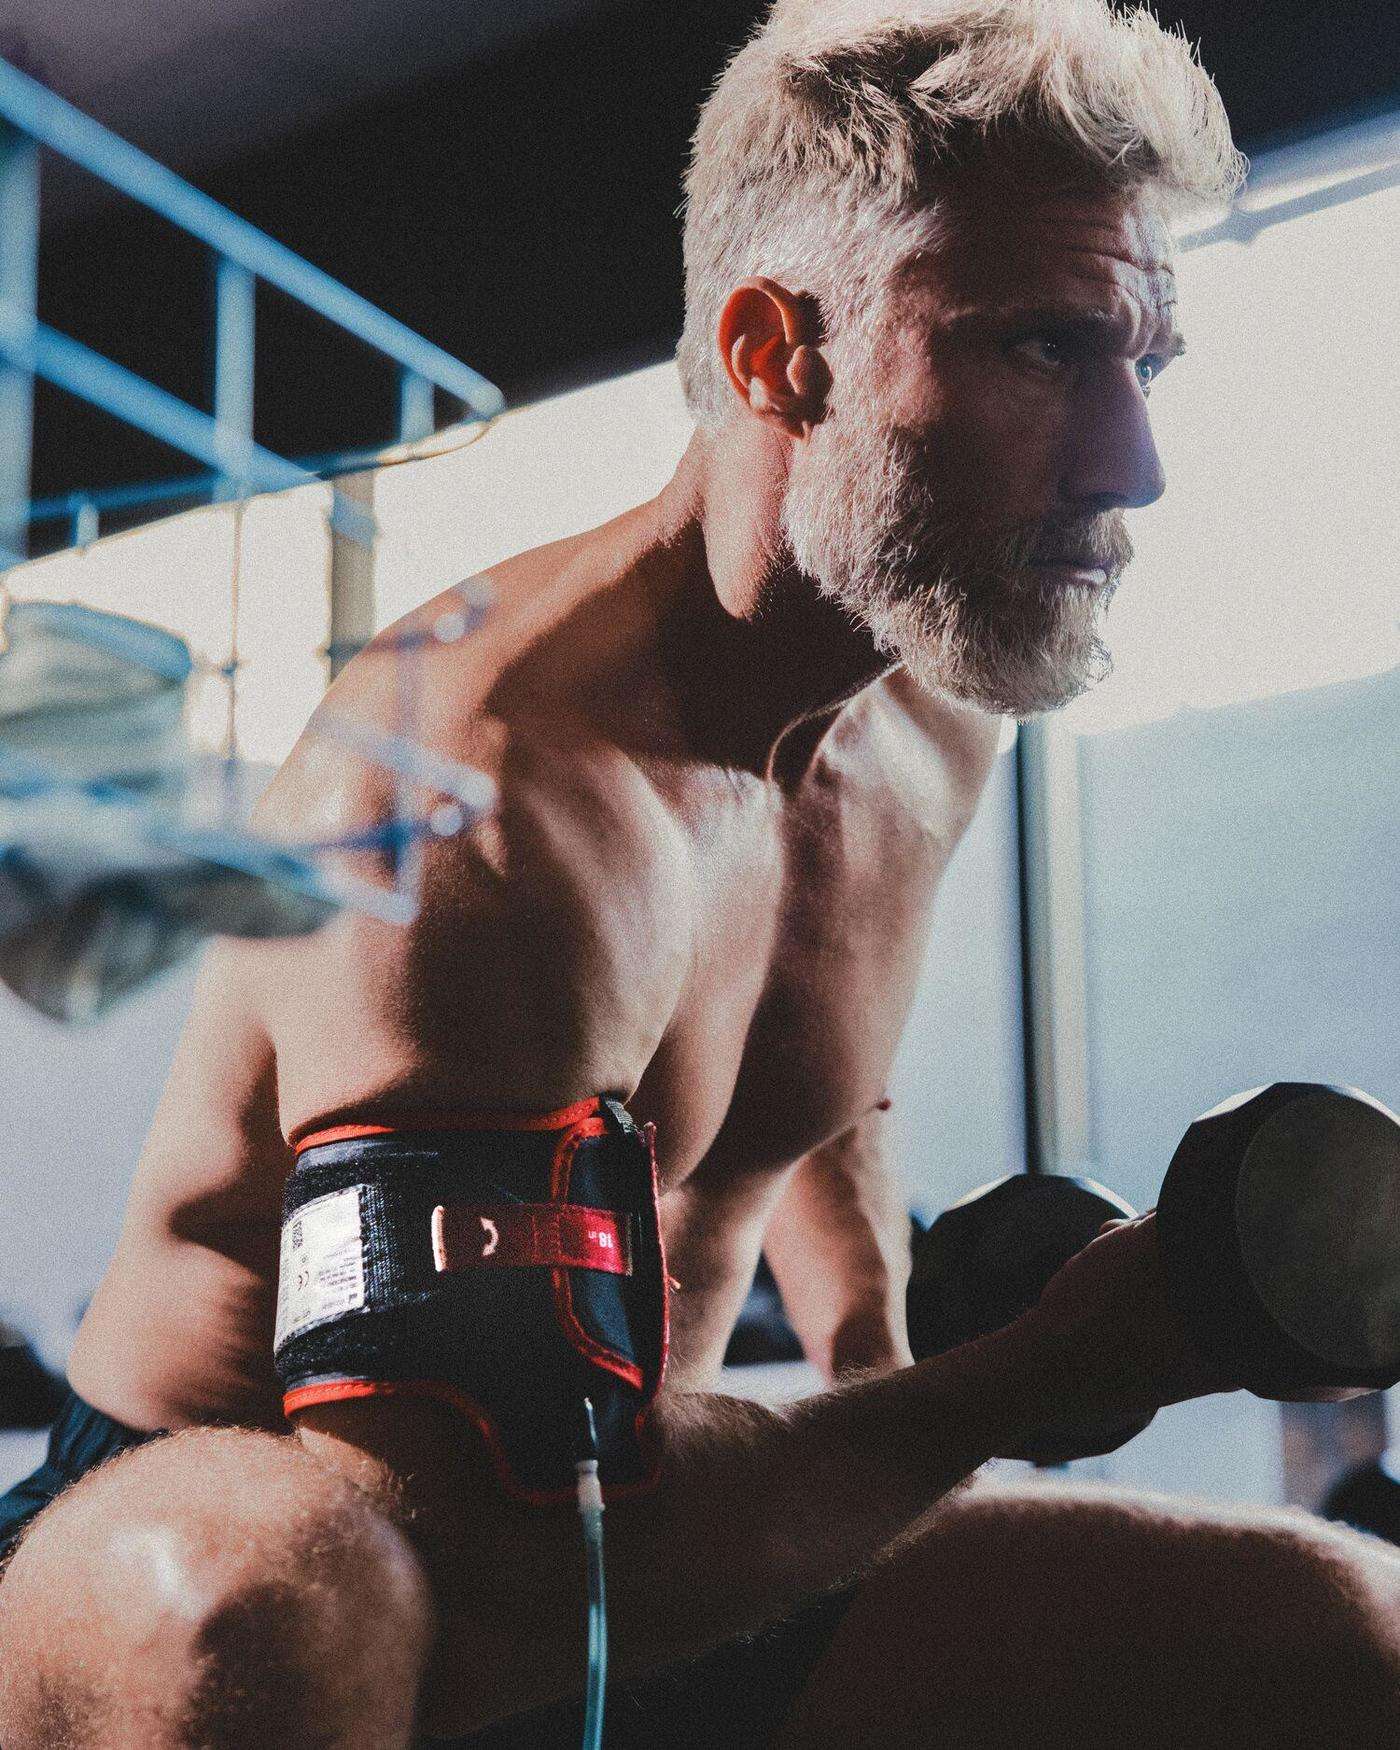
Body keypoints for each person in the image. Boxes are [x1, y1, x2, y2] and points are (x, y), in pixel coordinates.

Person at [1, 2, 1397, 1745]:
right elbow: (494, 1570)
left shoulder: (929, 697)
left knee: (1344, 1625)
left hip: (653, 1536)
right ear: (774, 354)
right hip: (274, 1518)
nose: (1133, 465)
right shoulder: (489, 804)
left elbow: (812, 1067)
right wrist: (1042, 1378)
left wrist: (879, 1352)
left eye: (1143, 364)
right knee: (276, 1612)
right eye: (1042, 351)